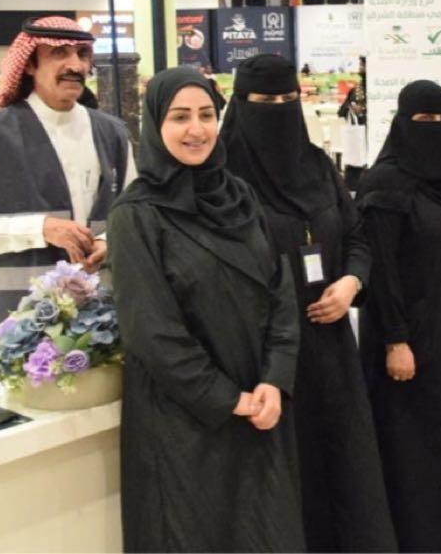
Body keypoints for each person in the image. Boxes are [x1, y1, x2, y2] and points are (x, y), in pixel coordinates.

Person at [108, 67, 305, 552]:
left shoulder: (240, 196)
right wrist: (227, 398)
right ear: (155, 125)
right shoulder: (136, 215)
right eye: (179, 117)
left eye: (206, 115)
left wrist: (275, 379)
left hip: (260, 406)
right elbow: (151, 330)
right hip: (185, 423)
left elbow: (279, 290)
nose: (196, 129)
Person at [220, 54, 396, 552]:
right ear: (242, 103)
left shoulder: (317, 165)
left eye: (287, 99)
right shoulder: (223, 178)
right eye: (265, 100)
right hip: (267, 354)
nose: (278, 109)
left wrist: (351, 284)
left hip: (332, 344)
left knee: (342, 459)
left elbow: (356, 235)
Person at [357, 80, 441, 552]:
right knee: (415, 439)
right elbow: (381, 270)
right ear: (402, 122)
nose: (437, 127)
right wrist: (396, 340)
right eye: (426, 120)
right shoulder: (383, 183)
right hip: (410, 336)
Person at [0, 16, 134, 327]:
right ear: (29, 64)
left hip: (103, 320)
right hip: (17, 327)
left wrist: (109, 241)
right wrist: (40, 228)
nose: (76, 65)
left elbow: (135, 214)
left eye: (82, 54)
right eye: (59, 53)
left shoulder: (113, 133)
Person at [338, 55, 368, 190]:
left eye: (363, 65)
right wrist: (352, 107)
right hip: (358, 139)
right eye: (361, 65)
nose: (361, 68)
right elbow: (341, 111)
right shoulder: (355, 91)